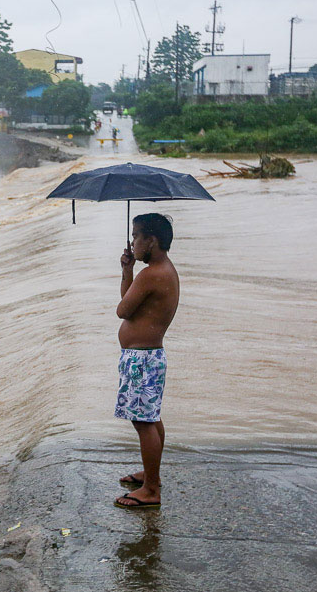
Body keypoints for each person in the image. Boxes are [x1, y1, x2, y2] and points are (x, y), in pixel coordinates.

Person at [113, 213, 179, 509]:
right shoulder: (162, 270)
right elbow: (130, 300)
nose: (133, 241)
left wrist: (133, 273)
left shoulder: (152, 273)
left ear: (151, 241)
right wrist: (128, 270)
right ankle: (151, 476)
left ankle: (151, 489)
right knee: (150, 417)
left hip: (142, 360)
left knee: (144, 420)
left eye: (137, 235)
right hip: (148, 357)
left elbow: (123, 309)